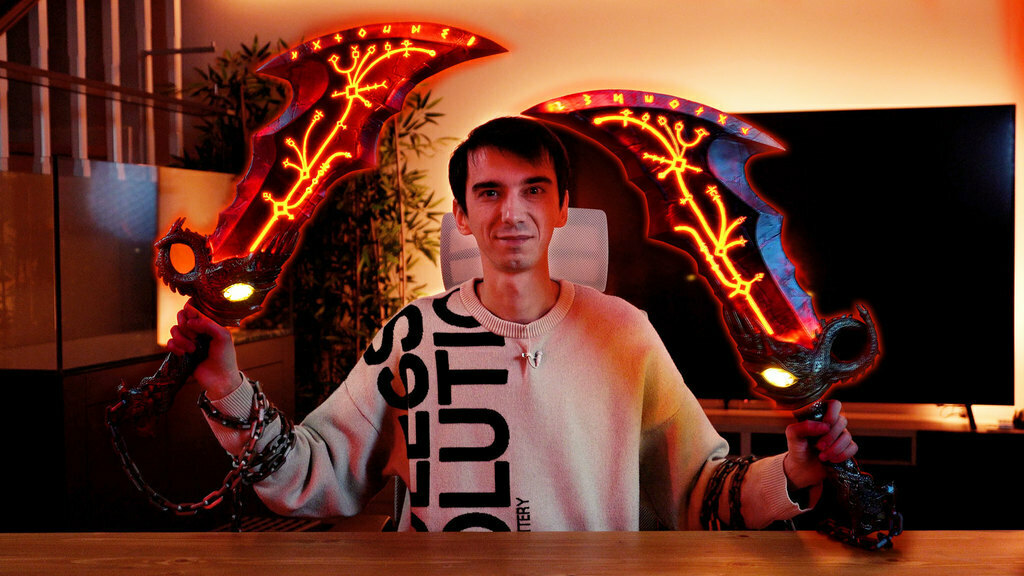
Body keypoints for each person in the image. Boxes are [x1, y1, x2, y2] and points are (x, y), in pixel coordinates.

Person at [168, 116, 856, 532]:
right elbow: (314, 472)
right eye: (490, 192)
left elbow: (701, 489)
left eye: (534, 190)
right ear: (463, 216)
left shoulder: (625, 332)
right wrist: (227, 386)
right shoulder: (411, 336)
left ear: (562, 210)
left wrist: (794, 470)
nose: (512, 212)